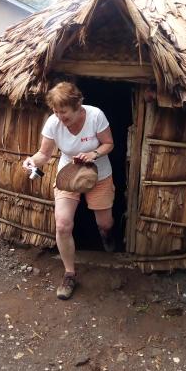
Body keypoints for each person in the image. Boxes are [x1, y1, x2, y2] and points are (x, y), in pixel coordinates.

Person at [22, 81, 115, 300]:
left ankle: (108, 237)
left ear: (78, 105)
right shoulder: (53, 122)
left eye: (64, 113)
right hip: (68, 176)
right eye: (55, 111)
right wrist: (31, 161)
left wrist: (94, 154)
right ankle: (69, 273)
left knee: (104, 223)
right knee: (63, 225)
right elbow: (44, 155)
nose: (60, 117)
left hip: (98, 175)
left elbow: (108, 143)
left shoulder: (95, 116)